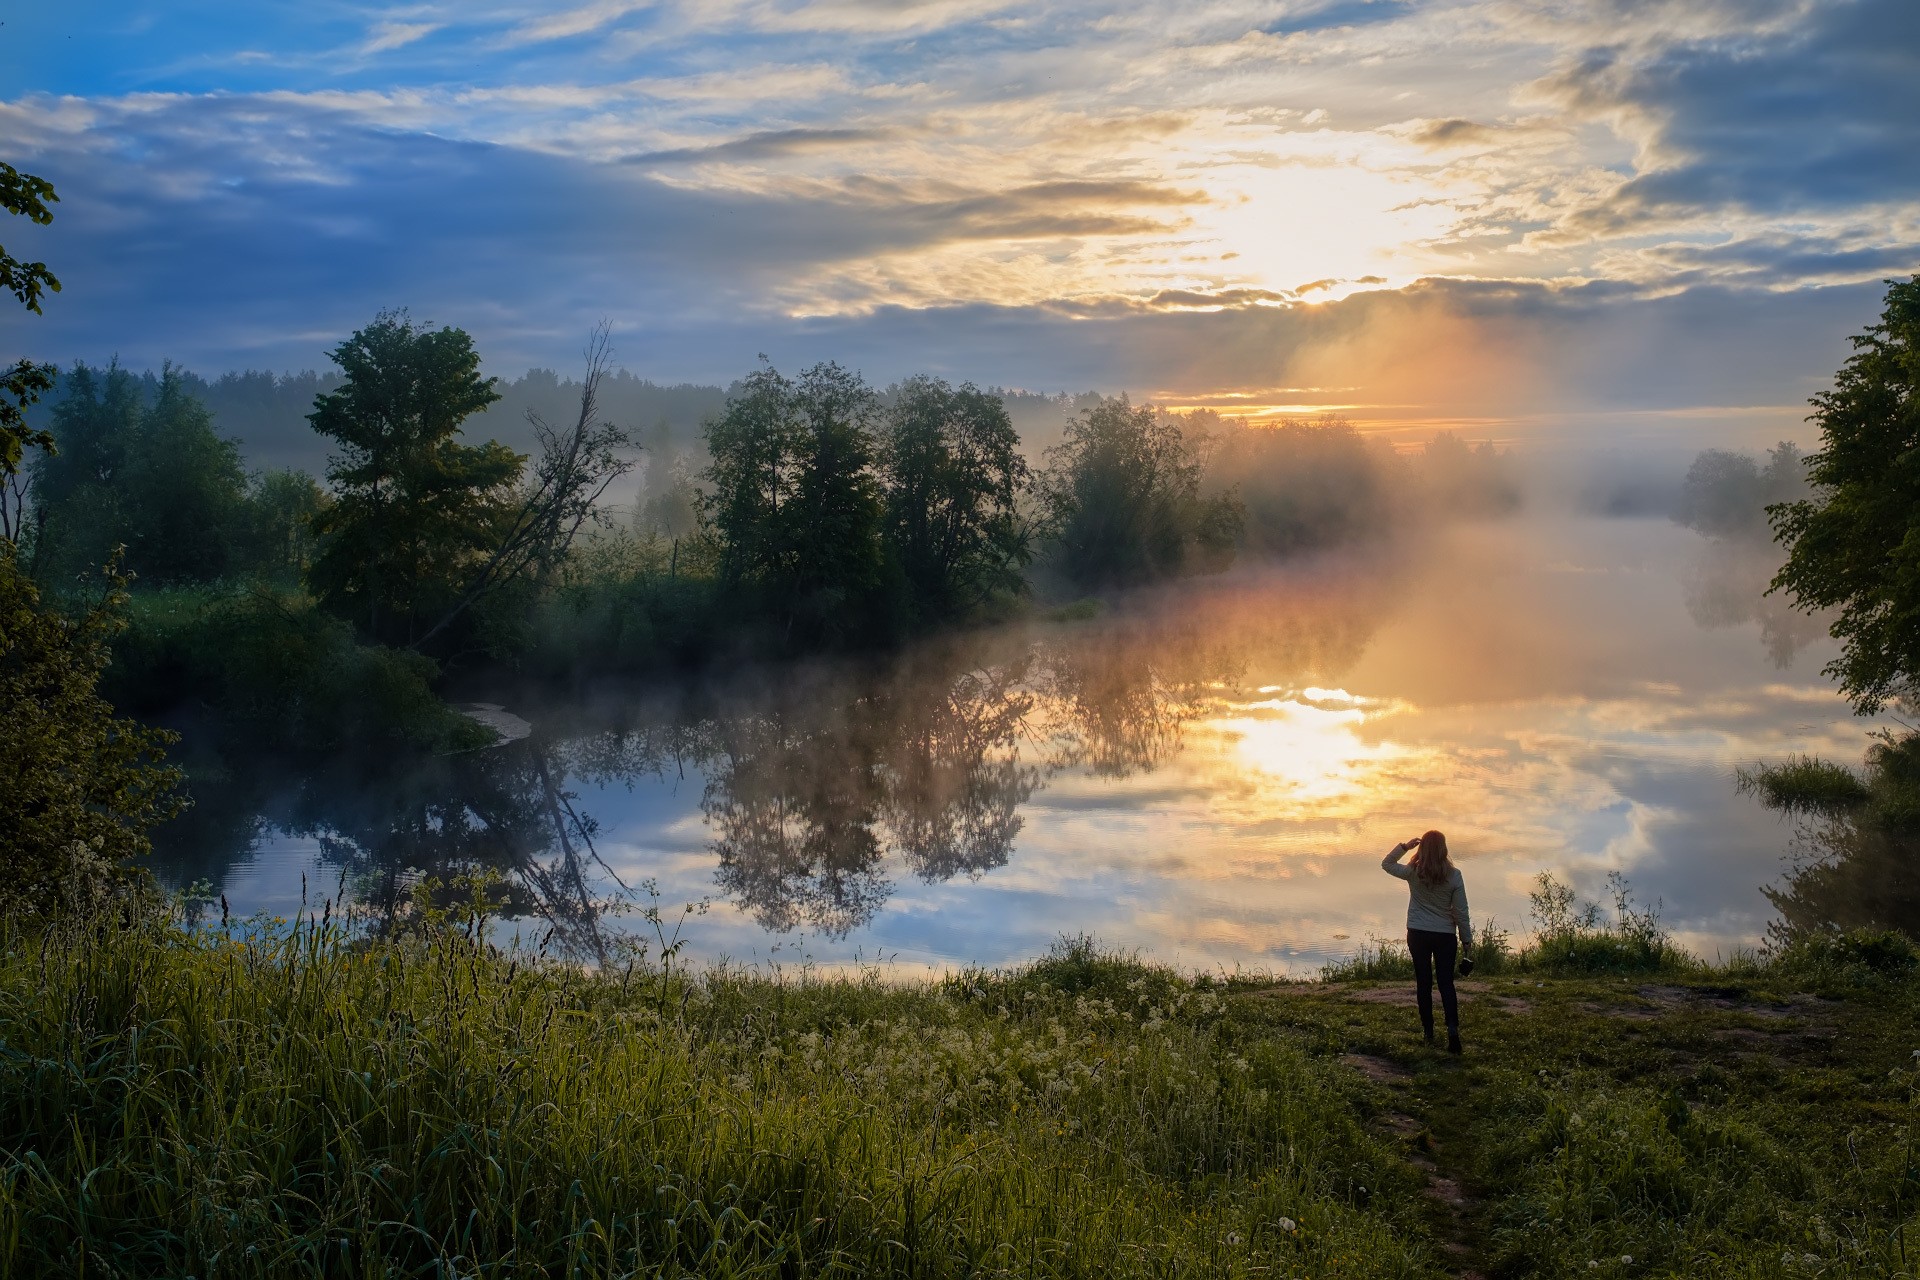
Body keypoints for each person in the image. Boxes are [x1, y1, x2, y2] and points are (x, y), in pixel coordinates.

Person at [1381, 830, 1473, 1053]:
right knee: (1445, 984)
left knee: (1423, 983)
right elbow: (1461, 911)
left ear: (1422, 848)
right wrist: (1467, 942)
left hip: (1418, 933)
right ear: (1444, 849)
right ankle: (1452, 1031)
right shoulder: (1454, 875)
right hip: (1444, 936)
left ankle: (1428, 1032)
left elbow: (1387, 864)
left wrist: (1404, 846)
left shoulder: (1414, 871)